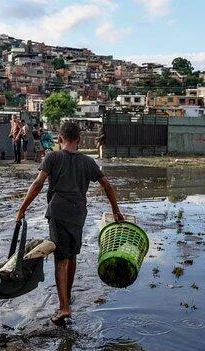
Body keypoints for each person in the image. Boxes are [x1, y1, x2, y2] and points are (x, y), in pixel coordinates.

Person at [15, 121, 124, 325]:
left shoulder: (52, 157)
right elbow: (108, 186)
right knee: (71, 256)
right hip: (78, 215)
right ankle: (67, 299)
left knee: (60, 260)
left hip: (58, 213)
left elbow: (38, 184)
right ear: (79, 141)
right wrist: (116, 211)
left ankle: (64, 307)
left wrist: (22, 209)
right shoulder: (88, 162)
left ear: (59, 139)